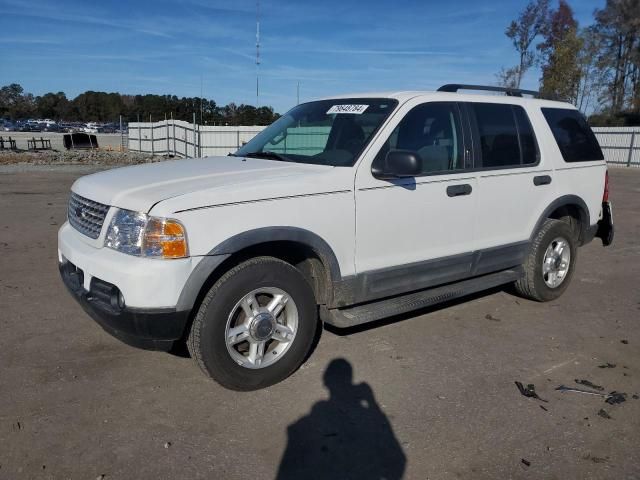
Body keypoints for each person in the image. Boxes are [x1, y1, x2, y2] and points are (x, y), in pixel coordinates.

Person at [276, 358, 406, 480]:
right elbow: (397, 464)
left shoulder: (305, 422)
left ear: (325, 382)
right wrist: (373, 404)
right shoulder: (366, 413)